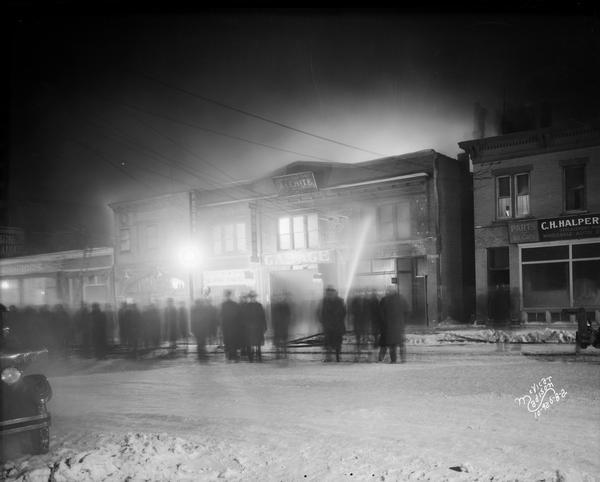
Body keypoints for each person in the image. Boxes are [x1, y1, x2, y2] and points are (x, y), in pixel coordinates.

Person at [378, 286, 409, 363]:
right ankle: (403, 359)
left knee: (392, 344)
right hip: (399, 325)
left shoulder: (385, 300)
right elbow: (407, 311)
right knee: (401, 343)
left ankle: (393, 360)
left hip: (389, 326)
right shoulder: (402, 299)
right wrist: (403, 321)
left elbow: (381, 314)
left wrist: (384, 323)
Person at [317, 285, 346, 362]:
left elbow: (343, 313)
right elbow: (319, 313)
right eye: (328, 292)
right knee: (328, 341)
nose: (330, 294)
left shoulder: (340, 301)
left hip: (337, 325)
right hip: (328, 325)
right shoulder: (323, 301)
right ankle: (329, 356)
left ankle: (337, 356)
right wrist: (323, 322)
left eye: (331, 292)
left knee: (338, 341)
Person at [191, 295, 218, 361]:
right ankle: (202, 355)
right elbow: (206, 319)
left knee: (200, 342)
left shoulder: (194, 309)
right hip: (202, 329)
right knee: (201, 342)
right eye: (201, 302)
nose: (202, 303)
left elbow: (192, 320)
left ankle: (201, 355)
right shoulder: (203, 309)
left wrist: (192, 330)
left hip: (198, 329)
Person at [245, 291, 267, 362]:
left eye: (254, 297)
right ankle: (251, 357)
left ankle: (259, 356)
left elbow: (263, 316)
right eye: (252, 297)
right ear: (250, 298)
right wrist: (246, 326)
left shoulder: (259, 305)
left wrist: (264, 325)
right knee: (250, 343)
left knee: (258, 343)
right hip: (250, 328)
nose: (253, 298)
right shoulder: (247, 306)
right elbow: (245, 317)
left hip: (258, 327)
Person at [221, 290, 241, 361]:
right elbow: (238, 316)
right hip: (233, 326)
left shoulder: (223, 305)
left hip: (227, 326)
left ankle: (229, 355)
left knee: (228, 341)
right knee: (233, 341)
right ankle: (233, 355)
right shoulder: (235, 304)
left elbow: (222, 316)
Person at [271, 292, 292, 359]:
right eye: (279, 297)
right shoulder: (275, 306)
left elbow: (289, 315)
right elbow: (273, 316)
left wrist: (287, 323)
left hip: (284, 325)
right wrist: (274, 325)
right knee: (277, 340)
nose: (280, 298)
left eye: (281, 297)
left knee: (284, 340)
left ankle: (285, 353)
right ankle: (278, 353)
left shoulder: (286, 306)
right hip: (277, 326)